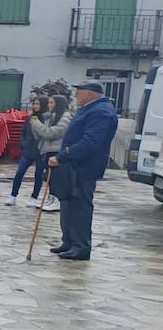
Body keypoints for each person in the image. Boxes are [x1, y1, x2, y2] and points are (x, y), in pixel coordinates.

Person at [48, 82, 119, 261]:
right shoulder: (89, 108)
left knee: (80, 206)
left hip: (84, 167)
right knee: (68, 203)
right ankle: (69, 241)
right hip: (73, 166)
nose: (76, 95)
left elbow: (90, 142)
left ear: (90, 93)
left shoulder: (101, 112)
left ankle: (80, 246)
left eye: (79, 92)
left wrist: (63, 156)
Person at [27, 95, 71, 212]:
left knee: (55, 177)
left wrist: (36, 124)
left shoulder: (65, 118)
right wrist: (34, 125)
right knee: (50, 178)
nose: (49, 105)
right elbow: (40, 134)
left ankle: (56, 200)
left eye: (52, 103)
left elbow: (51, 133)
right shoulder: (50, 117)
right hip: (47, 149)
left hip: (56, 150)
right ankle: (51, 198)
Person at [7, 96, 50, 207]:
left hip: (41, 151)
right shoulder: (31, 118)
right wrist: (23, 143)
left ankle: (34, 197)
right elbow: (24, 132)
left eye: (38, 104)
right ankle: (13, 195)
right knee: (20, 171)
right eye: (34, 104)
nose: (35, 106)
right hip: (28, 150)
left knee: (38, 175)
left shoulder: (47, 120)